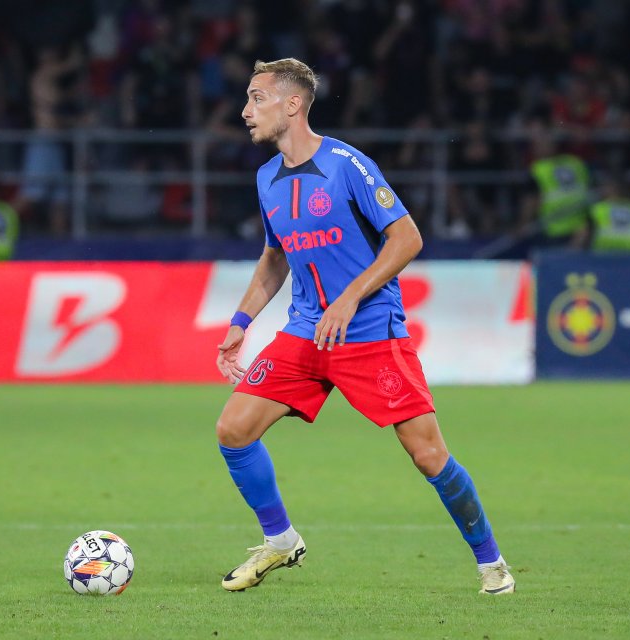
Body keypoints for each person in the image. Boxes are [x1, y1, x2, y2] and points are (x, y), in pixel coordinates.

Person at [214, 58, 515, 596]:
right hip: (305, 332)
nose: (245, 110)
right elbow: (274, 258)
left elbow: (407, 238)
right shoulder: (265, 179)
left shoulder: (347, 164)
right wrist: (241, 321)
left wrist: (349, 298)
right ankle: (280, 541)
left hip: (371, 333)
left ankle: (491, 563)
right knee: (233, 431)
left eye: (257, 98)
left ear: (293, 104)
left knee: (428, 455)